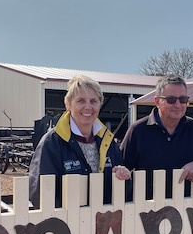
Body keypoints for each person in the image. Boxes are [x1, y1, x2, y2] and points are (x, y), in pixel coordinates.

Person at [29, 75, 131, 207]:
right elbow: (40, 193)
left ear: (100, 105)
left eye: (93, 101)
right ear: (68, 104)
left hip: (102, 223)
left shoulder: (109, 142)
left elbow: (123, 194)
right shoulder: (52, 143)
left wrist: (125, 177)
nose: (88, 107)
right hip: (66, 224)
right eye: (81, 101)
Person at [121, 74, 193, 199]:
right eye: (171, 99)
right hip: (145, 211)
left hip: (183, 209)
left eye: (182, 99)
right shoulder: (138, 130)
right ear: (157, 101)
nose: (178, 105)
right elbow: (121, 168)